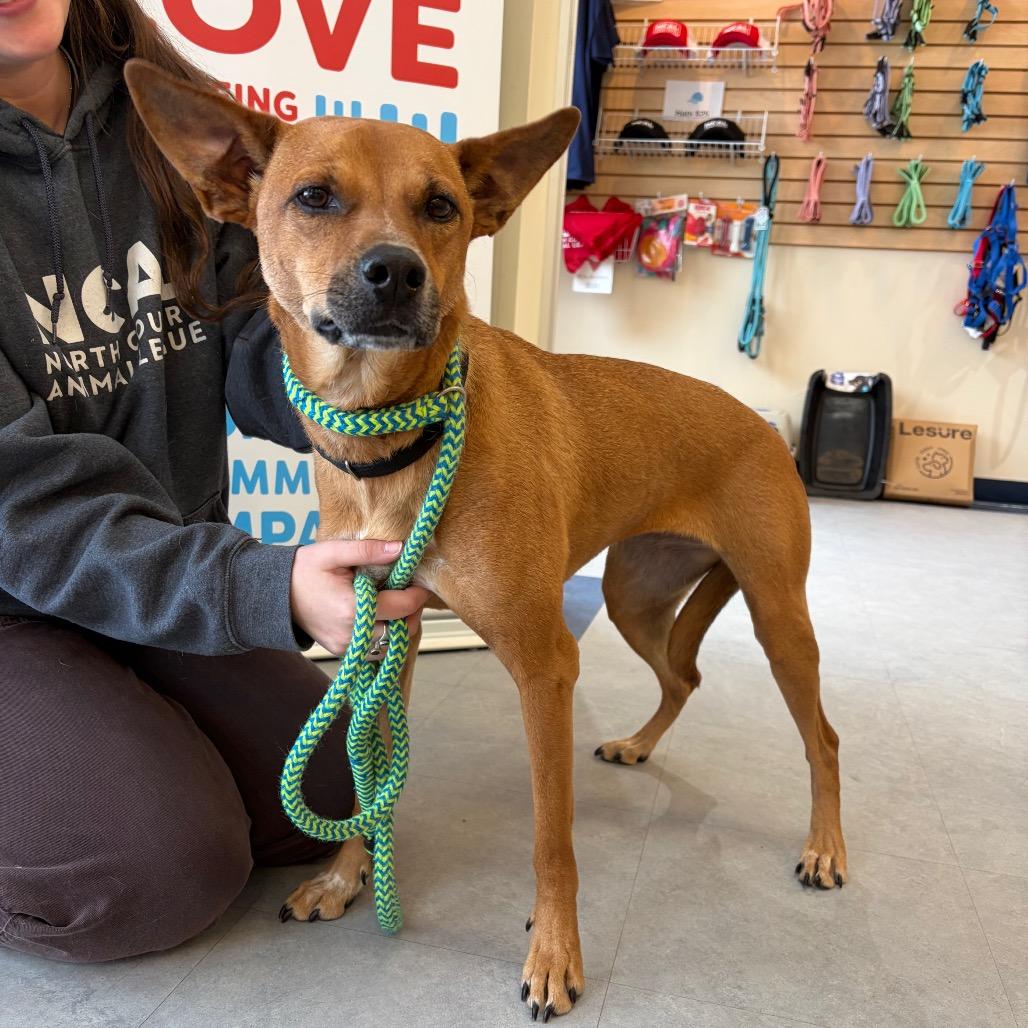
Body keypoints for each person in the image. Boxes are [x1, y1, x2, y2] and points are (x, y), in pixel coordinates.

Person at [0, 0, 428, 963]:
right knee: (158, 872)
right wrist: (261, 587)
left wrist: (389, 395)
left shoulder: (176, 135)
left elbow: (257, 334)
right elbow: (15, 505)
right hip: (10, 597)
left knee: (335, 789)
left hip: (151, 571)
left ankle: (113, 725)